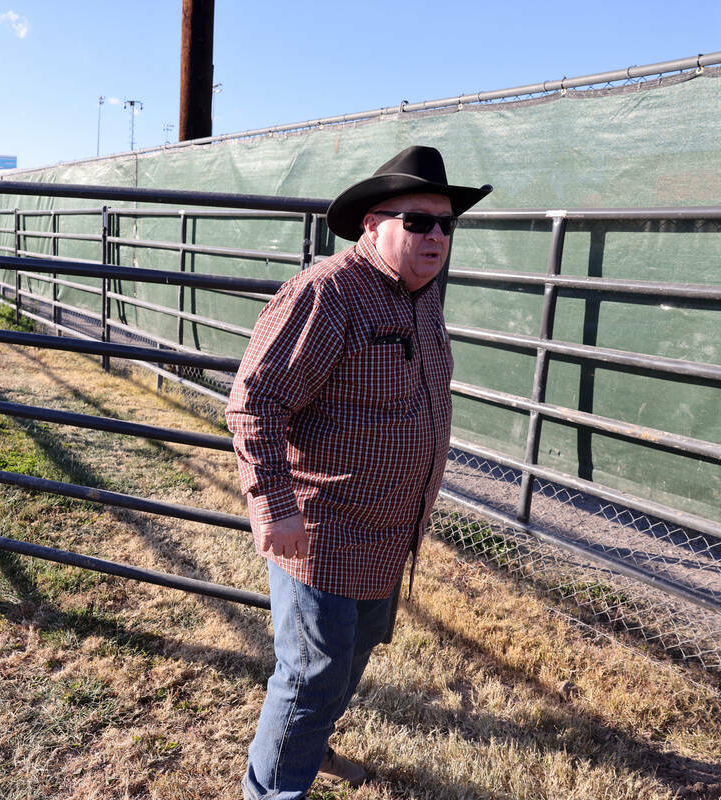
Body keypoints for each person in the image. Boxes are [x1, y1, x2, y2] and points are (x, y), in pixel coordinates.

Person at [226, 145, 491, 798]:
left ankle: (306, 746)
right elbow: (255, 401)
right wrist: (275, 507)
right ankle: (272, 791)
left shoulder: (421, 299)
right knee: (312, 674)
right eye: (418, 221)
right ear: (373, 225)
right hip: (322, 533)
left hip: (388, 536)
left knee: (347, 662)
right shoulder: (326, 294)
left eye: (445, 224)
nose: (435, 236)